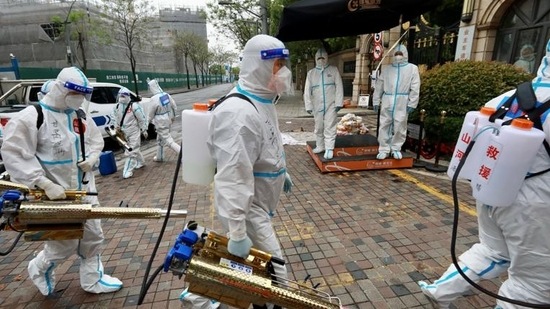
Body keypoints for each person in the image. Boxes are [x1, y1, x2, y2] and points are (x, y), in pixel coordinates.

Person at [418, 39, 550, 308]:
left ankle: (440, 291)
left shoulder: (508, 97)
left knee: (492, 251)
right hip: (534, 207)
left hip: (490, 192)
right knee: (532, 287)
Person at [180, 34, 293, 309]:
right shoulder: (238, 114)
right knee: (275, 272)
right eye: (278, 65)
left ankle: (200, 295)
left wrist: (281, 170)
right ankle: (199, 297)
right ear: (260, 66)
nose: (284, 72)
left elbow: (268, 142)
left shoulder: (262, 99)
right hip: (247, 204)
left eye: (282, 64)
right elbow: (233, 178)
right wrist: (239, 231)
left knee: (247, 266)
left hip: (257, 201)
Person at [1, 67, 123, 296]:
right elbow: (14, 154)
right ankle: (39, 268)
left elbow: (96, 141)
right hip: (54, 196)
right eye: (76, 94)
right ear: (60, 89)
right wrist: (43, 183)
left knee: (93, 235)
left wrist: (93, 158)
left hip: (85, 191)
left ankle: (92, 279)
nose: (79, 99)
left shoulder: (79, 116)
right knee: (63, 243)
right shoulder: (32, 117)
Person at [372, 44, 420, 160]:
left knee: (400, 125)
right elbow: (379, 85)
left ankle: (396, 148)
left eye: (401, 54)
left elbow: (415, 86)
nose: (398, 56)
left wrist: (412, 103)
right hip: (387, 99)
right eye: (396, 54)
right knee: (384, 124)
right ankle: (383, 148)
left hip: (401, 100)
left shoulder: (412, 68)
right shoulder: (387, 69)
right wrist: (376, 100)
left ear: (405, 55)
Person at [303, 47, 344, 160]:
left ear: (326, 58)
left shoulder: (333, 70)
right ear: (316, 59)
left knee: (330, 126)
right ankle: (320, 145)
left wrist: (339, 102)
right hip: (317, 105)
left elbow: (339, 86)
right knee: (319, 126)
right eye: (319, 58)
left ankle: (329, 148)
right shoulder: (311, 74)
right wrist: (308, 105)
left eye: (323, 57)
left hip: (331, 104)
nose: (321, 60)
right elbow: (307, 90)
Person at [111, 87, 148, 179]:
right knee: (133, 148)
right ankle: (141, 162)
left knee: (132, 150)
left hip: (133, 131)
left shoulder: (134, 106)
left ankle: (127, 170)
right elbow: (114, 119)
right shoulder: (116, 107)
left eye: (124, 96)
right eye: (121, 96)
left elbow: (141, 118)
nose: (122, 98)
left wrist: (144, 129)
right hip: (123, 133)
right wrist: (116, 129)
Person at [147, 78, 180, 162]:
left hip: (160, 121)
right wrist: (173, 117)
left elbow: (150, 114)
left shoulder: (154, 99)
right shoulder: (166, 95)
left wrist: (145, 124)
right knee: (160, 139)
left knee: (168, 140)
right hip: (168, 119)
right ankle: (159, 156)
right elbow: (174, 106)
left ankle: (182, 153)